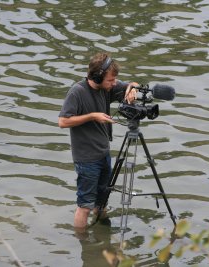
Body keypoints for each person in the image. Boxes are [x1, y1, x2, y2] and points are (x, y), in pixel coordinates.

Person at [58, 52, 138, 230]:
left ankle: (102, 233)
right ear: (97, 76)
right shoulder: (77, 92)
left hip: (103, 154)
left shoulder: (106, 89)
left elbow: (132, 84)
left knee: (102, 202)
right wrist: (93, 116)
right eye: (111, 80)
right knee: (85, 206)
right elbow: (62, 121)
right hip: (86, 159)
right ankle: (84, 244)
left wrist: (132, 90)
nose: (114, 83)